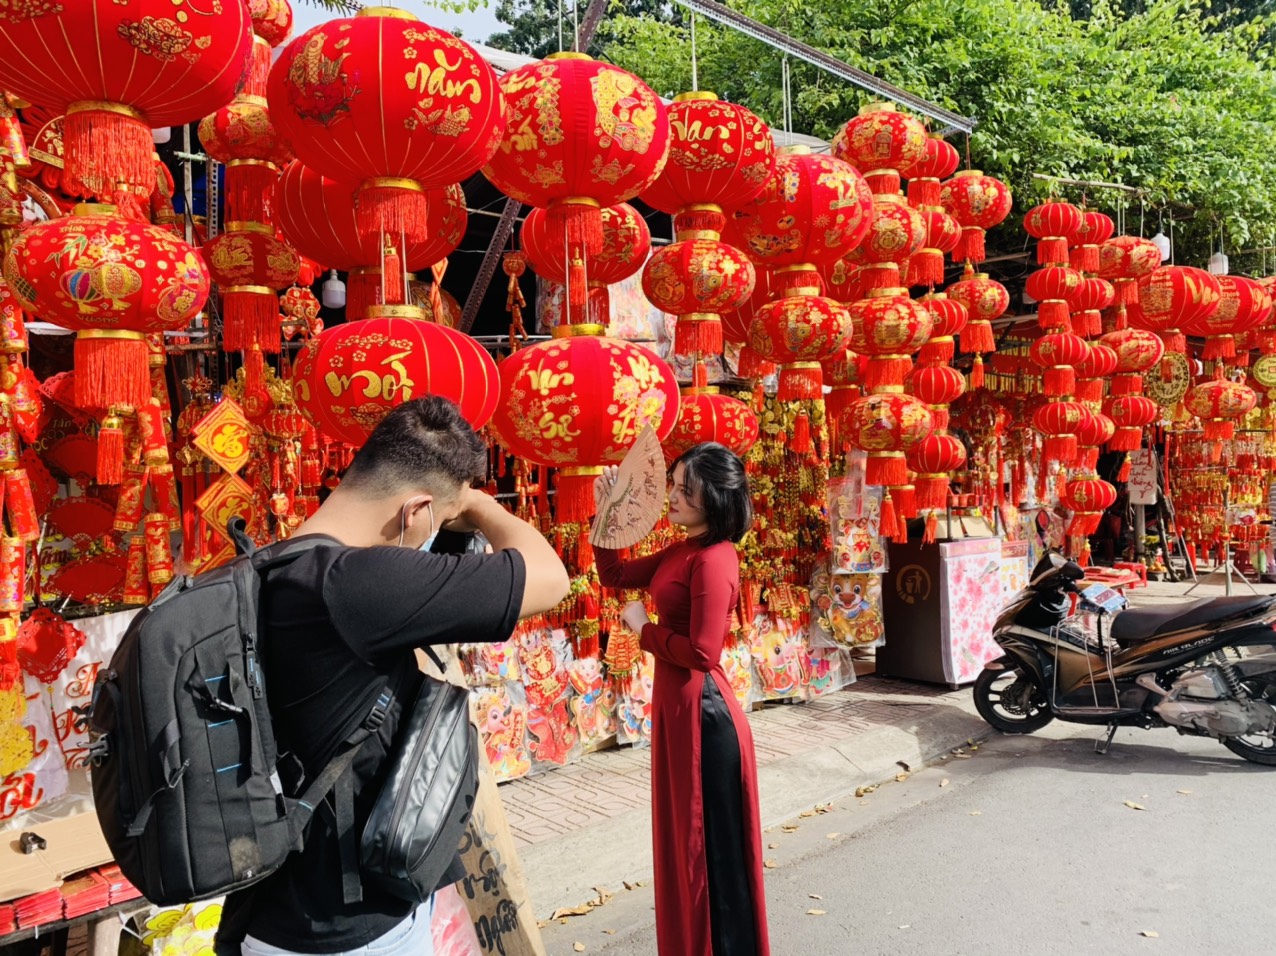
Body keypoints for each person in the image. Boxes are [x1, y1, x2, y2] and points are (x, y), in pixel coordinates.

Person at [215, 397, 570, 956]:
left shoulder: (263, 566)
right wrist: (476, 504)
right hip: (350, 928)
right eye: (440, 519)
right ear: (416, 511)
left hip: (267, 911)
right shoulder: (359, 583)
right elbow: (550, 578)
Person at [593, 442, 770, 956]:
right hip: (678, 706)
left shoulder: (715, 559)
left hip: (703, 715)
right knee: (686, 841)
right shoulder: (681, 550)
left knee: (710, 849)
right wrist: (609, 517)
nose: (671, 496)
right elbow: (615, 577)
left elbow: (702, 651)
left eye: (682, 488)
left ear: (712, 496)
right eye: (671, 484)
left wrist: (643, 629)